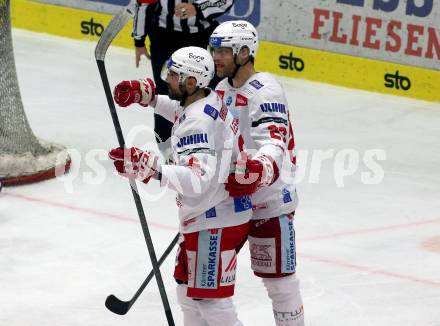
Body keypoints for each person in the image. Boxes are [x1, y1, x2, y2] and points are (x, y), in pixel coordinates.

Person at [109, 46, 252, 326]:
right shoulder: (205, 100)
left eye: (174, 76)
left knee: (210, 303)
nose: (167, 79)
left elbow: (198, 179)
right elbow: (180, 110)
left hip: (215, 218)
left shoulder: (197, 123)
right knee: (188, 294)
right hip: (216, 212)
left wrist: (152, 169)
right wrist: (148, 98)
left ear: (191, 82)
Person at [208, 21, 305, 326]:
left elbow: (274, 142)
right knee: (204, 284)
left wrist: (255, 172)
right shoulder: (222, 89)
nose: (216, 57)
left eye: (224, 50)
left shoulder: (265, 90)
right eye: (214, 50)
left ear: (246, 52)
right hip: (231, 202)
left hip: (269, 202)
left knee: (279, 284)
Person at [132, 0, 234, 160]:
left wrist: (199, 9)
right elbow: (143, 3)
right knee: (168, 93)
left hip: (202, 36)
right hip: (164, 37)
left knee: (210, 95)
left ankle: (218, 150)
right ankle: (169, 155)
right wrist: (139, 40)